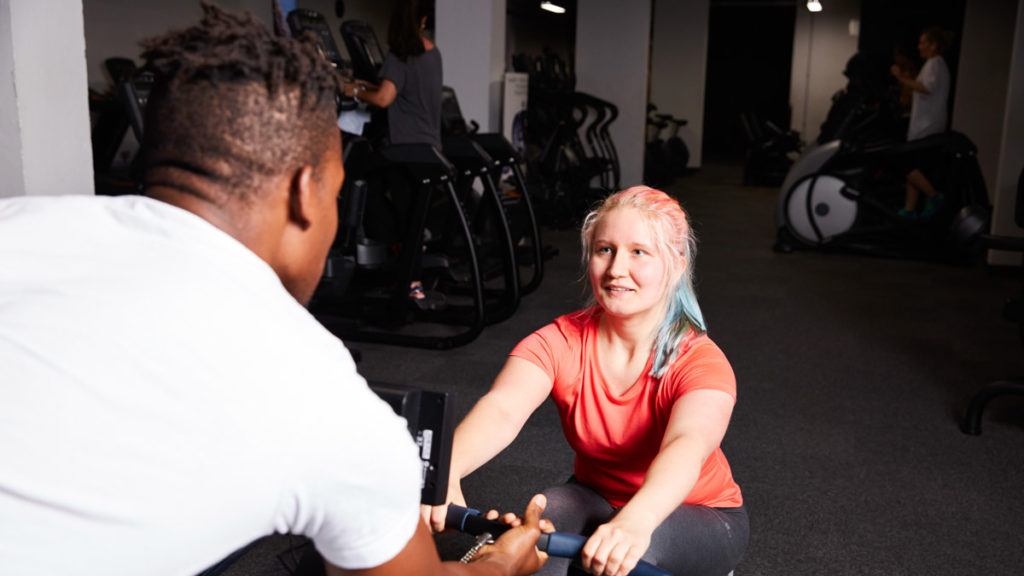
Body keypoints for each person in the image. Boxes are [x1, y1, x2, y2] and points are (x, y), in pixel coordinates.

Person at [0, 4, 548, 576]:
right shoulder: (322, 397)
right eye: (336, 194)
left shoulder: (14, 221)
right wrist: (501, 566)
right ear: (304, 193)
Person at [424, 187, 749, 576]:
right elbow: (502, 409)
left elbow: (688, 444)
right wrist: (445, 472)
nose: (615, 270)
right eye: (604, 250)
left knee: (631, 555)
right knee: (536, 534)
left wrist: (635, 522)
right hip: (595, 496)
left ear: (677, 266)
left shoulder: (701, 361)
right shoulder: (559, 340)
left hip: (699, 512)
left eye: (638, 252)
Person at [344, 0, 442, 301]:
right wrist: (372, 85)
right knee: (411, 215)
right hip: (428, 147)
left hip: (405, 150)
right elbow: (401, 91)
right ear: (423, 21)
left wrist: (354, 90)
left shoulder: (400, 54)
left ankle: (408, 283)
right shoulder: (431, 52)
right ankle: (411, 279)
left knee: (358, 182)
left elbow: (385, 98)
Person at [890, 27, 953, 220]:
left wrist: (901, 78)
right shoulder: (933, 64)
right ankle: (909, 210)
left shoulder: (935, 64)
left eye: (923, 42)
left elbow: (927, 88)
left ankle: (933, 197)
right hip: (923, 126)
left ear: (933, 45)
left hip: (927, 127)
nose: (919, 47)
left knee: (905, 164)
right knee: (916, 169)